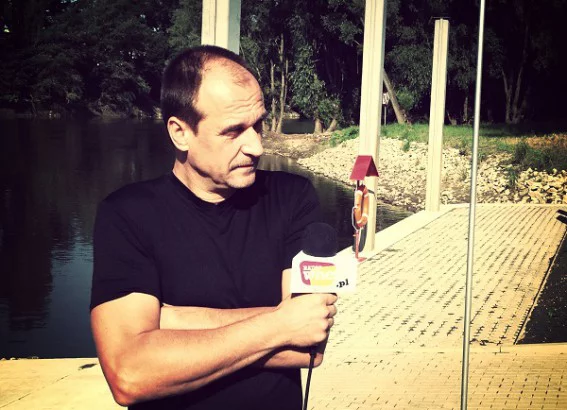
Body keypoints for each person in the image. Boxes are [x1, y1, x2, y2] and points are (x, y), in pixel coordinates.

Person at [90, 45, 338, 410]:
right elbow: (130, 374)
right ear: (180, 133)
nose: (256, 146)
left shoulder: (293, 197)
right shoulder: (126, 215)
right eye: (234, 130)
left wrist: (171, 320)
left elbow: (310, 342)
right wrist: (280, 322)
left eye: (258, 125)